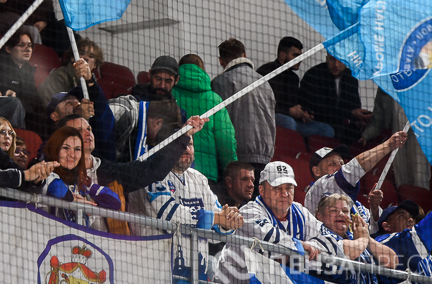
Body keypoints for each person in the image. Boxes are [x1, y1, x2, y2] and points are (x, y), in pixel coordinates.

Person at [61, 112, 206, 235]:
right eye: (79, 130)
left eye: (89, 128)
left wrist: (183, 135)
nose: (87, 133)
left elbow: (153, 170)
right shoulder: (55, 171)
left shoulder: (109, 172)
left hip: (103, 252)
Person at [215, 161, 341, 284]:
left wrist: (311, 246)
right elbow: (271, 239)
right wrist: (301, 246)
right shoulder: (249, 212)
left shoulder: (300, 211)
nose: (284, 194)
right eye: (277, 188)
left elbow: (331, 239)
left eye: (289, 187)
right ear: (262, 190)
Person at [142, 135, 244, 284]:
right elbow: (170, 213)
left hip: (198, 277)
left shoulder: (199, 179)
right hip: (161, 274)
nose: (186, 149)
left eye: (190, 144)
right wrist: (216, 218)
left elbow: (216, 228)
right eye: (180, 144)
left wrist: (228, 223)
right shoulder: (154, 174)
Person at [303, 132, 407, 230]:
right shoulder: (316, 191)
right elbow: (353, 170)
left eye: (342, 163)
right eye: (332, 164)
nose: (340, 167)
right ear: (316, 171)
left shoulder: (356, 205)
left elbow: (376, 230)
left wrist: (374, 208)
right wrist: (388, 145)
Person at [211, 38, 275, 177]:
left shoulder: (220, 82)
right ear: (244, 55)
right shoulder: (265, 83)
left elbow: (219, 123)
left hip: (236, 156)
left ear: (221, 61)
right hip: (265, 156)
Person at [173, 54, 237, 185]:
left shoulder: (170, 94)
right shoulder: (214, 99)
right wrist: (231, 173)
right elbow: (225, 140)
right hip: (207, 174)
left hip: (174, 170)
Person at [41, 126, 122, 226]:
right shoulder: (44, 171)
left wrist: (88, 200)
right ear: (55, 149)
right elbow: (56, 189)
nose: (72, 154)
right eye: (66, 148)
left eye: (77, 149)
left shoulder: (80, 182)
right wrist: (74, 201)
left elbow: (115, 201)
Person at [257, 36, 335, 137]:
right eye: (295, 55)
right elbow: (261, 104)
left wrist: (304, 113)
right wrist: (289, 111)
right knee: (288, 121)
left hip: (292, 121)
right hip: (269, 119)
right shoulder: (266, 72)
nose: (300, 59)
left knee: (327, 129)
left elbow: (294, 104)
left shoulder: (294, 78)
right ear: (282, 55)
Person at [314, 193, 397, 284]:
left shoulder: (357, 238)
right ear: (320, 216)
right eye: (333, 210)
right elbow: (345, 250)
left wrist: (367, 238)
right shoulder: (319, 234)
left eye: (345, 211)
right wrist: (363, 238)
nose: (341, 214)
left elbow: (392, 261)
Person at [359, 88, 430, 188]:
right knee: (401, 175)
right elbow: (378, 118)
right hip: (396, 135)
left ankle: (420, 197)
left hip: (419, 134)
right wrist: (366, 135)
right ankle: (403, 195)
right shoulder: (385, 84)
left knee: (419, 174)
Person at [298, 54, 369, 144]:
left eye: (340, 60)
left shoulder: (351, 78)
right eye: (332, 59)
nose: (336, 64)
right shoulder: (313, 75)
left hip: (339, 125)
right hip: (317, 122)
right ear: (326, 58)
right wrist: (350, 113)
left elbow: (355, 105)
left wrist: (358, 119)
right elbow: (320, 110)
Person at [38, 37, 104, 108]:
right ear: (72, 57)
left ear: (95, 65)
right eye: (82, 53)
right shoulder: (57, 78)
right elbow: (54, 110)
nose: (85, 58)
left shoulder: (93, 84)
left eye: (91, 56)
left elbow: (100, 108)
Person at [0, 30, 40, 115]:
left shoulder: (29, 70)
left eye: (30, 46)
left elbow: (34, 99)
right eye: (22, 45)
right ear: (8, 49)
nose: (28, 49)